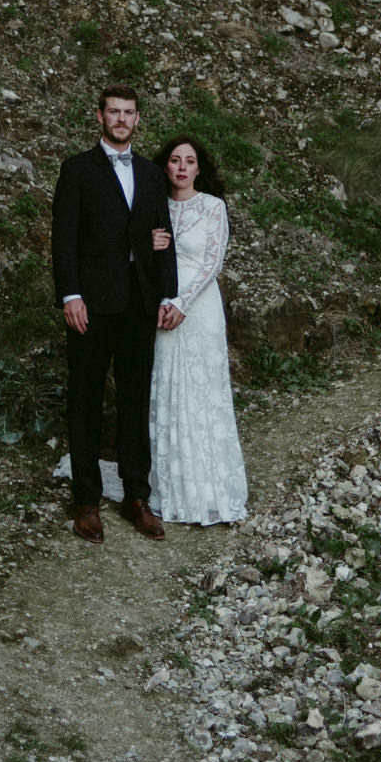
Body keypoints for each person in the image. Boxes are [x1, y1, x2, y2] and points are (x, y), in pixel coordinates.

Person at [51, 86, 179, 544]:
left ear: (137, 119)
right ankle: (86, 500)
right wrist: (70, 295)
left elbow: (161, 235)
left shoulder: (149, 173)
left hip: (139, 306)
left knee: (134, 401)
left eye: (128, 113)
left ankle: (136, 497)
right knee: (84, 398)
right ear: (100, 116)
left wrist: (168, 295)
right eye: (113, 112)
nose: (121, 120)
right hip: (91, 305)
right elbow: (63, 240)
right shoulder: (77, 170)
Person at [147, 133, 248, 526]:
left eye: (189, 161)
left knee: (204, 391)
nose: (182, 167)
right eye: (175, 160)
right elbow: (136, 259)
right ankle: (173, 489)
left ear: (198, 168)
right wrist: (147, 245)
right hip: (162, 307)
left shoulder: (212, 207)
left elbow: (213, 261)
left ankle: (211, 491)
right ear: (166, 166)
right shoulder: (154, 208)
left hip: (198, 306)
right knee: (171, 389)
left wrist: (181, 303)